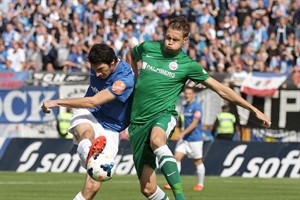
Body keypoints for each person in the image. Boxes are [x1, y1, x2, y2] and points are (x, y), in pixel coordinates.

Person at [126, 16, 271, 200]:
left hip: (162, 115)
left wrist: (253, 109)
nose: (169, 42)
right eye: (167, 37)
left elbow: (221, 89)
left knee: (157, 140)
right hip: (137, 122)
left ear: (185, 41)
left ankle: (180, 197)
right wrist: (134, 79)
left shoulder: (188, 65)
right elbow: (131, 54)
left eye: (175, 39)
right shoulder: (148, 48)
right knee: (148, 189)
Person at [41, 43, 135, 200]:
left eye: (101, 70)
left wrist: (57, 102)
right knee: (87, 133)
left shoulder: (124, 80)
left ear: (112, 63)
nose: (97, 74)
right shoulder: (98, 64)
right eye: (94, 69)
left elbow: (94, 101)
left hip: (110, 127)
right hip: (90, 113)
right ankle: (90, 152)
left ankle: (90, 155)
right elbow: (90, 105)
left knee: (93, 186)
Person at [163, 87, 205, 191]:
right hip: (185, 139)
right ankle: (174, 183)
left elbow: (194, 124)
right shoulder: (185, 106)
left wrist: (182, 134)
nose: (187, 95)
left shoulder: (197, 107)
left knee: (197, 161)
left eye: (189, 94)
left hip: (195, 139)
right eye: (186, 93)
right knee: (176, 158)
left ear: (193, 95)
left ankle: (200, 184)